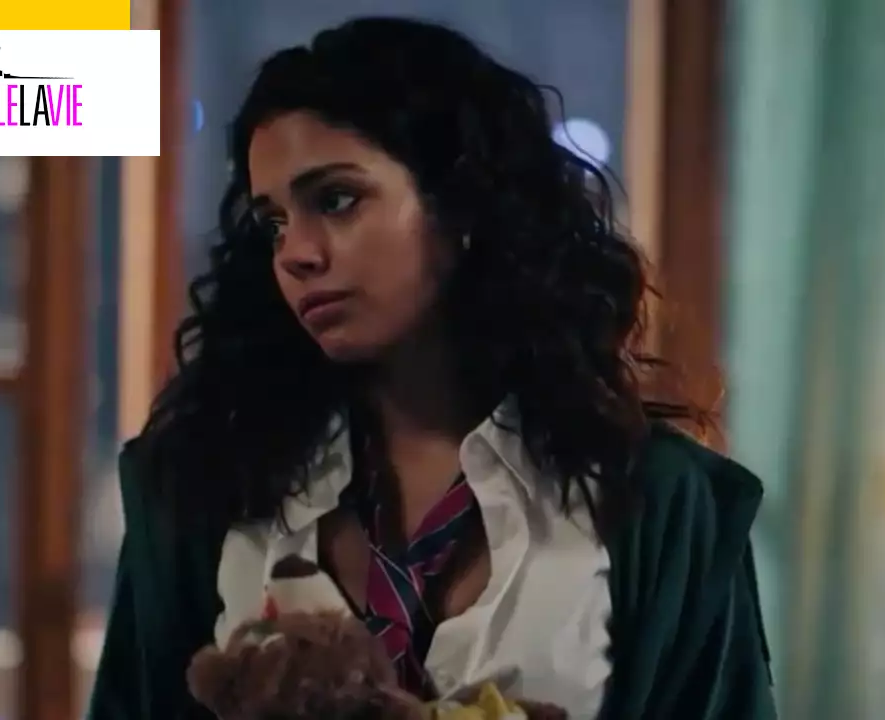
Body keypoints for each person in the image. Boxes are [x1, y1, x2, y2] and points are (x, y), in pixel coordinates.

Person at [89, 16, 775, 720]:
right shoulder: (203, 488)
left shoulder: (657, 504)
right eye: (275, 223)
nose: (296, 253)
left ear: (461, 206)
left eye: (336, 200)